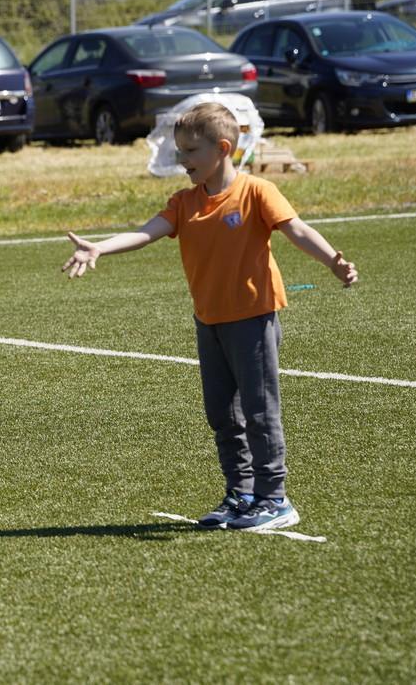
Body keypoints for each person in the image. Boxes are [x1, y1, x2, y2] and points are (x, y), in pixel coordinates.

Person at [62, 102, 357, 531]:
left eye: (190, 151)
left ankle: (274, 498)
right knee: (222, 414)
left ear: (222, 149)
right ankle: (241, 494)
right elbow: (146, 232)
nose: (182, 160)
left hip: (253, 318)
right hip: (209, 320)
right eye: (179, 150)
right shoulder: (184, 203)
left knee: (259, 410)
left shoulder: (257, 191)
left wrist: (333, 261)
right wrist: (99, 248)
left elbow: (297, 229)